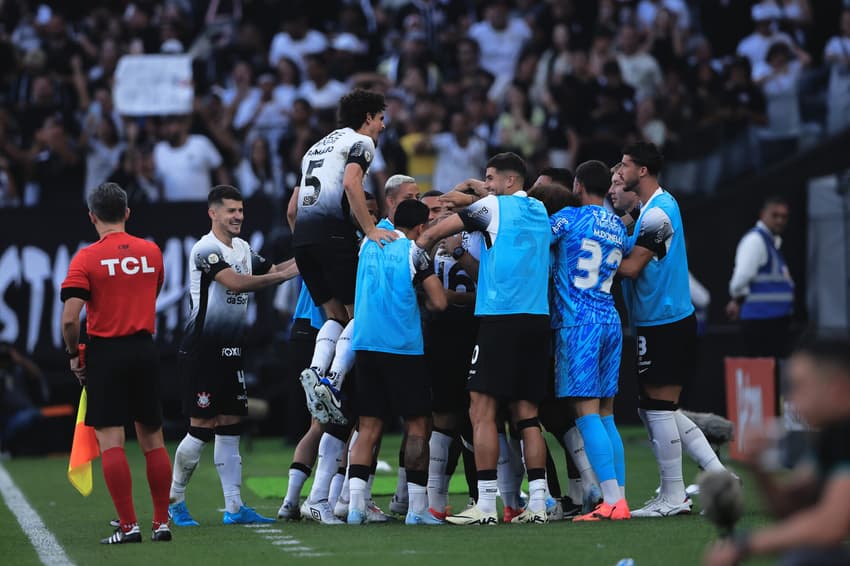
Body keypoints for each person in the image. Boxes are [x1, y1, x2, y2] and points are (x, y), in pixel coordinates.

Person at [416, 152, 552, 525]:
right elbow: (485, 197)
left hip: (499, 319)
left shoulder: (491, 207)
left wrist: (413, 257)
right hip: (537, 318)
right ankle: (539, 504)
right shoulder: (540, 210)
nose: (487, 183)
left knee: (481, 409)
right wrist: (475, 191)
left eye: (491, 177)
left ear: (509, 181)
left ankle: (487, 505)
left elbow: (434, 233)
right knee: (528, 415)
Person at [168, 185, 298, 527]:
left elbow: (273, 266)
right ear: (213, 214)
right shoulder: (205, 250)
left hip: (231, 349)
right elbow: (237, 283)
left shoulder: (240, 247)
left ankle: (235, 508)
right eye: (231, 211)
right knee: (201, 428)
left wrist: (310, 258)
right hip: (202, 351)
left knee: (230, 427)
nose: (238, 216)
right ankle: (175, 501)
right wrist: (282, 275)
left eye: (240, 210)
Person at [616, 142, 731, 518]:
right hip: (656, 320)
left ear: (643, 171)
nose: (620, 170)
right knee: (654, 407)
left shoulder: (661, 212)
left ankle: (674, 496)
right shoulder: (646, 210)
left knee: (658, 408)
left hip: (665, 321)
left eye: (626, 165)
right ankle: (717, 476)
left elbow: (632, 268)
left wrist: (592, 253)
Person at [60, 182, 172, 544]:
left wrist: (74, 354)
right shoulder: (152, 251)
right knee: (153, 440)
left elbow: (68, 320)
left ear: (92, 216)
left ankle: (128, 526)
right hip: (144, 349)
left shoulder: (86, 258)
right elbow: (152, 292)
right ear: (126, 213)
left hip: (107, 353)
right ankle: (161, 522)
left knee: (111, 442)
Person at [293, 89, 396, 426]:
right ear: (367, 117)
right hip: (333, 235)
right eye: (380, 118)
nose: (382, 126)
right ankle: (333, 382)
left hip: (304, 239)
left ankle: (316, 369)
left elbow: (293, 207)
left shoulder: (315, 147)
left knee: (334, 315)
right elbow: (353, 183)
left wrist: (306, 236)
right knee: (360, 312)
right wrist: (370, 230)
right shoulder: (360, 142)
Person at [704, 334, 850, 566]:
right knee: (807, 556)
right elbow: (791, 507)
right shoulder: (833, 434)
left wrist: (745, 544)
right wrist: (758, 468)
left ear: (837, 388)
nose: (791, 399)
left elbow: (830, 526)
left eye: (800, 387)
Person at [347, 199, 447, 526]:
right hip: (402, 348)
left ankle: (356, 507)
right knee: (418, 426)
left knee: (369, 427)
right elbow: (440, 302)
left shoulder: (367, 244)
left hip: (365, 344)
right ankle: (417, 510)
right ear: (420, 228)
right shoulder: (415, 253)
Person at [550, 160, 630, 522]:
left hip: (578, 323)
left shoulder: (568, 217)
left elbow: (539, 237)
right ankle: (620, 497)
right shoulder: (615, 223)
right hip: (611, 318)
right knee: (606, 414)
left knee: (585, 414)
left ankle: (612, 501)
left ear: (578, 185)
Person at [725, 196, 794, 358]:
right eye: (775, 215)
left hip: (772, 321)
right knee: (762, 374)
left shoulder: (770, 242)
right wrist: (738, 298)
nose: (780, 220)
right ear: (763, 215)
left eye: (784, 216)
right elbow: (740, 279)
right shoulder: (755, 241)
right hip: (761, 323)